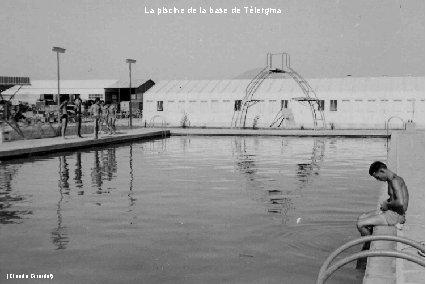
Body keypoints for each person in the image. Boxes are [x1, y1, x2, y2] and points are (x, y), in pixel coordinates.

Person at [356, 161, 409, 237]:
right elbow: (395, 198)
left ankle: (368, 245)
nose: (378, 179)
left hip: (396, 217)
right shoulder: (391, 180)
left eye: (378, 177)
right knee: (361, 217)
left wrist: (387, 204)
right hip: (392, 212)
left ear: (382, 171)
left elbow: (401, 203)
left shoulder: (395, 181)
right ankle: (369, 237)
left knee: (360, 224)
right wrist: (388, 202)